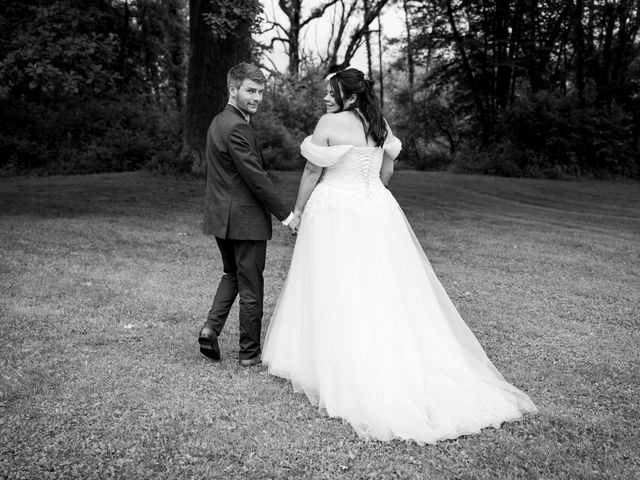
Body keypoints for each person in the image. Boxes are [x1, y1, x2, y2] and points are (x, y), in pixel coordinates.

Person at [262, 68, 537, 443]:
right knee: (378, 282)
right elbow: (387, 169)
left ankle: (336, 360)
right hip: (378, 210)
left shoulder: (329, 122)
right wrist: (370, 192)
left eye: (332, 92)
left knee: (335, 281)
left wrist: (297, 212)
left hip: (335, 211)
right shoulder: (379, 123)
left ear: (351, 96)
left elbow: (312, 170)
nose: (326, 97)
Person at [199, 63, 294, 367]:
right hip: (244, 219)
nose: (257, 97)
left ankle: (210, 329)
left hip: (221, 217)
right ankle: (249, 353)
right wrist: (287, 215)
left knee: (233, 274)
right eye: (250, 90)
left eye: (261, 91)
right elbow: (255, 176)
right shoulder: (238, 126)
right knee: (251, 285)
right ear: (233, 89)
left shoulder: (218, 122)